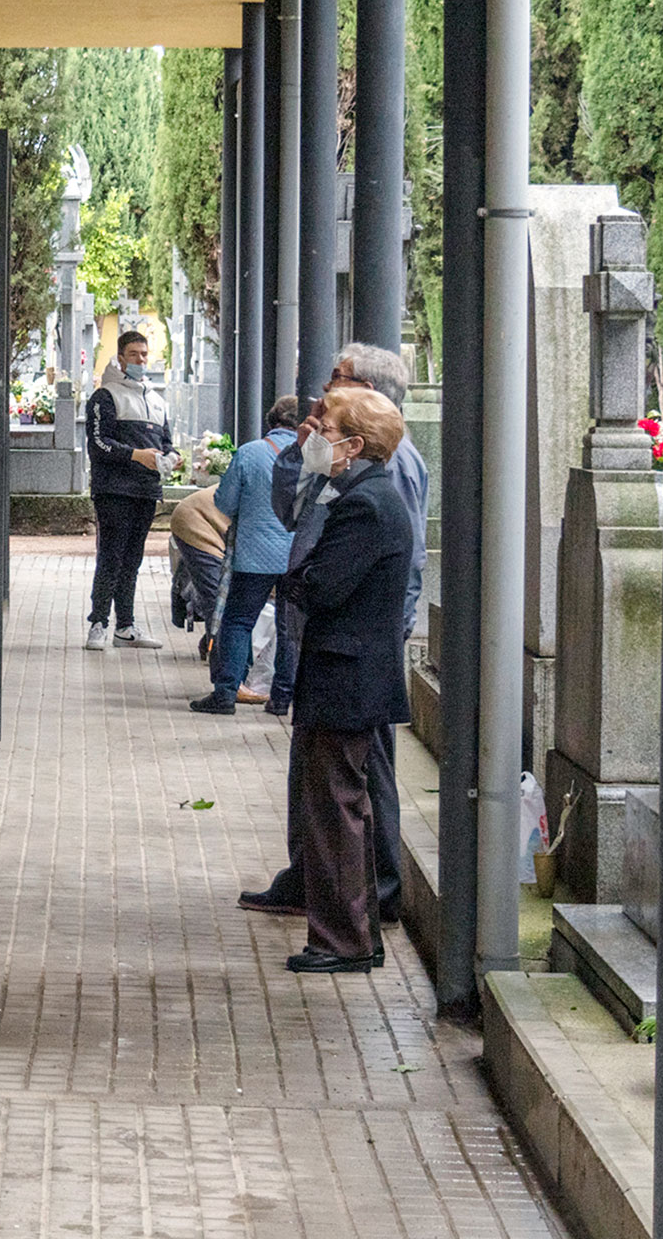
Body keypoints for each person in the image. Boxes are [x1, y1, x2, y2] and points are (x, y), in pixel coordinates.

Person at [240, 344, 428, 923]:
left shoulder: (385, 474)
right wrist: (301, 454)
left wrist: (388, 629)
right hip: (326, 633)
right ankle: (311, 878)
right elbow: (291, 510)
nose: (323, 393)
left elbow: (407, 558)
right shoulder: (337, 465)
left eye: (337, 383)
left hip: (357, 642)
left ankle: (377, 891)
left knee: (359, 774)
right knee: (319, 772)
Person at [274, 387, 413, 973]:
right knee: (332, 805)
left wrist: (296, 578)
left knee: (334, 810)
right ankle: (349, 935)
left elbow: (322, 585)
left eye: (325, 428)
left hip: (345, 676)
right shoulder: (364, 495)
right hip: (346, 674)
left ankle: (343, 940)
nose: (314, 436)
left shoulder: (364, 503)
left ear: (354, 445)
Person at [191, 397, 299, 715]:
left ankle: (226, 693)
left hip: (254, 556)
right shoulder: (313, 456)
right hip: (296, 555)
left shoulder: (250, 453)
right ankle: (281, 698)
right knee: (288, 625)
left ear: (271, 421)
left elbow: (224, 503)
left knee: (238, 621)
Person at [84, 330, 175, 651]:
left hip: (146, 492)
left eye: (144, 354)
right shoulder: (105, 396)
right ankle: (98, 623)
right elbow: (98, 444)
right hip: (114, 492)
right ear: (120, 357)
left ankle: (125, 626)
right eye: (134, 354)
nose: (141, 360)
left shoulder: (157, 400)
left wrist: (171, 458)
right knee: (111, 556)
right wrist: (137, 456)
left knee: (132, 560)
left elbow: (166, 443)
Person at [168, 485, 229, 662]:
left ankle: (213, 647)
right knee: (218, 598)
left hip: (218, 522)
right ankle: (224, 672)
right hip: (196, 521)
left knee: (230, 600)